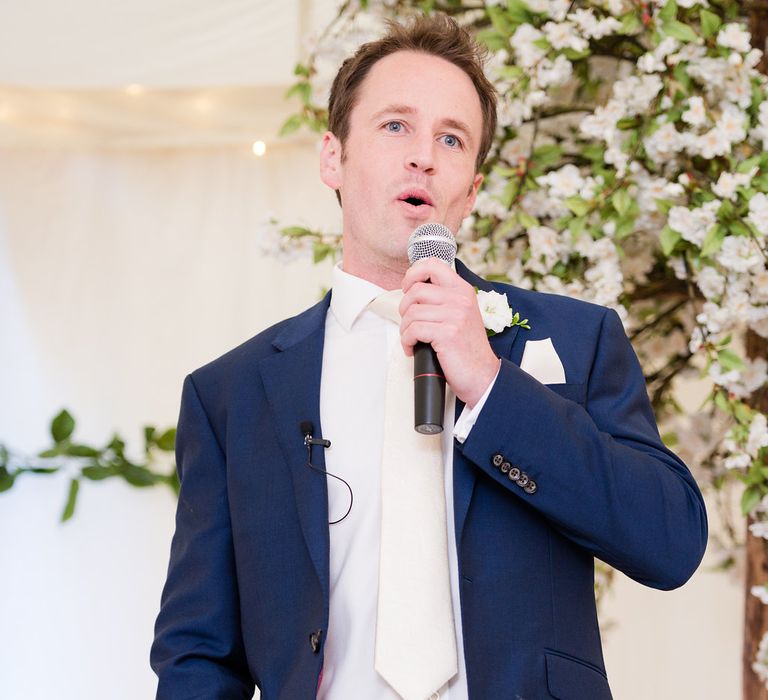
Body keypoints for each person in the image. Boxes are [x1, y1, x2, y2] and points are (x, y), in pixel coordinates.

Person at [151, 14, 707, 700]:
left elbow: (670, 541)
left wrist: (491, 385)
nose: (424, 156)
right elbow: (199, 652)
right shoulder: (232, 394)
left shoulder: (576, 340)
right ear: (334, 156)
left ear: (471, 190)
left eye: (451, 138)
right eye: (395, 126)